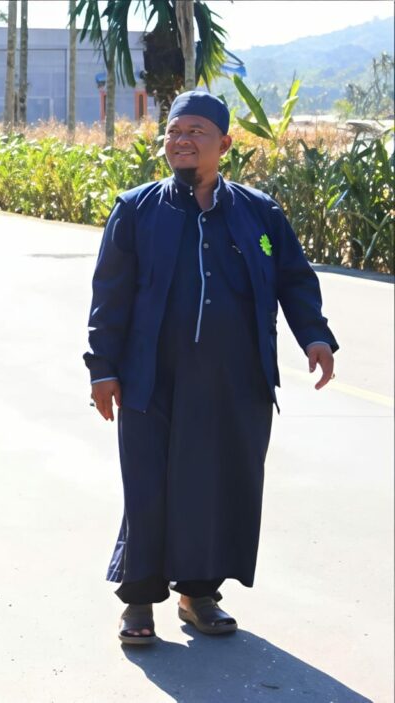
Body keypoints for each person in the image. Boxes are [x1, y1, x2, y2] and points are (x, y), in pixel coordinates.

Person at [84, 91, 338, 645]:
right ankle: (138, 601)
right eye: (174, 132)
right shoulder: (137, 210)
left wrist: (315, 335)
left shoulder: (259, 213)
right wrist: (102, 368)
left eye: (195, 132)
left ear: (223, 144)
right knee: (148, 486)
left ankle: (199, 594)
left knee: (218, 483)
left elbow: (293, 277)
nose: (181, 140)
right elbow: (110, 295)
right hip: (151, 376)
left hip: (235, 379)